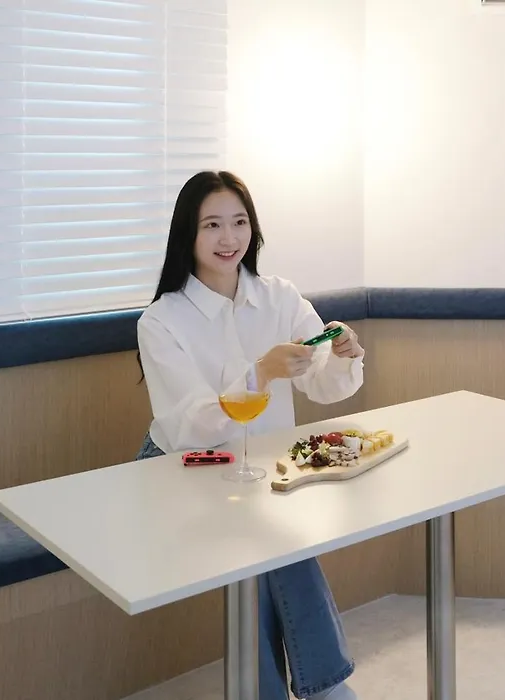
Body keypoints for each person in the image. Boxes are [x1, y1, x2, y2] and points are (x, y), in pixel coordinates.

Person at [134, 170, 363, 700]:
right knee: (271, 538)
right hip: (180, 467)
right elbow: (189, 424)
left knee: (264, 541)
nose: (229, 237)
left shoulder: (280, 298)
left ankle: (284, 692)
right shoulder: (161, 320)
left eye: (239, 222)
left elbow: (325, 384)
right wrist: (260, 374)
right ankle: (327, 689)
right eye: (212, 225)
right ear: (188, 234)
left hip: (256, 468)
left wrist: (342, 353)